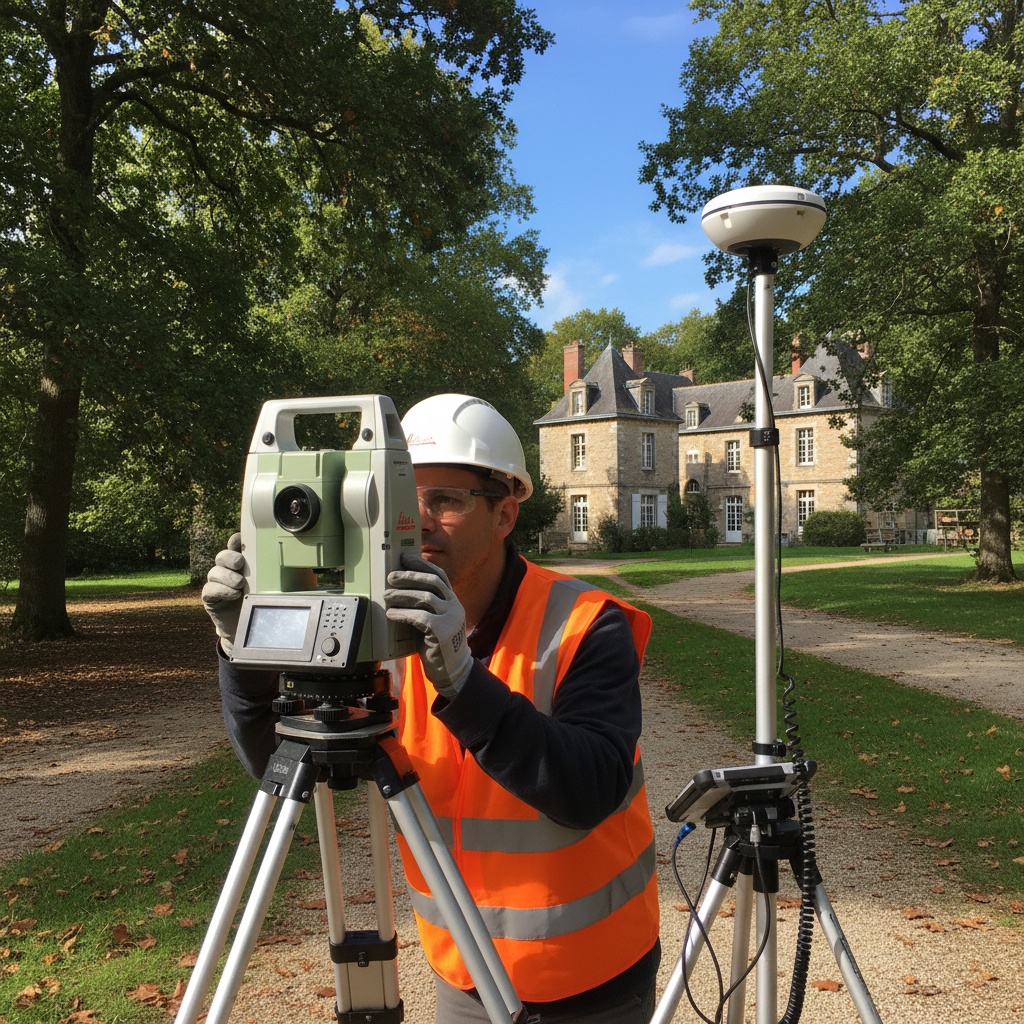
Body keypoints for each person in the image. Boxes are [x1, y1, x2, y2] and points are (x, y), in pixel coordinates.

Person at [203, 394, 660, 1023]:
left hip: (590, 977)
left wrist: (463, 681)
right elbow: (272, 765)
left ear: (504, 513)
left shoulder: (586, 625)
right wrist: (240, 650)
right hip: (463, 975)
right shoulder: (379, 632)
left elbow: (588, 789)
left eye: (444, 500)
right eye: (398, 500)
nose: (414, 522)